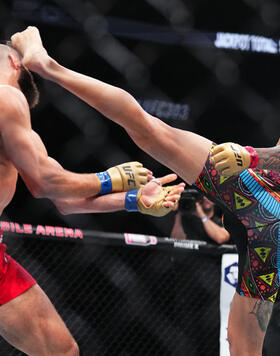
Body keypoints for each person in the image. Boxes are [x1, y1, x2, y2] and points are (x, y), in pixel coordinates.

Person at [13, 26, 279, 356]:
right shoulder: (10, 108)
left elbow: (51, 189)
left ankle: (48, 66)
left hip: (268, 216)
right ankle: (48, 66)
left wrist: (251, 155)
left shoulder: (9, 103)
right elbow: (56, 194)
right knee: (150, 130)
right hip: (265, 201)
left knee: (241, 347)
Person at [0, 34, 185, 356]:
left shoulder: (17, 126)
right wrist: (110, 178)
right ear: (17, 63)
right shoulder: (6, 95)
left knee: (60, 350)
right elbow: (45, 182)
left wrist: (132, 199)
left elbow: (64, 198)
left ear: (12, 63)